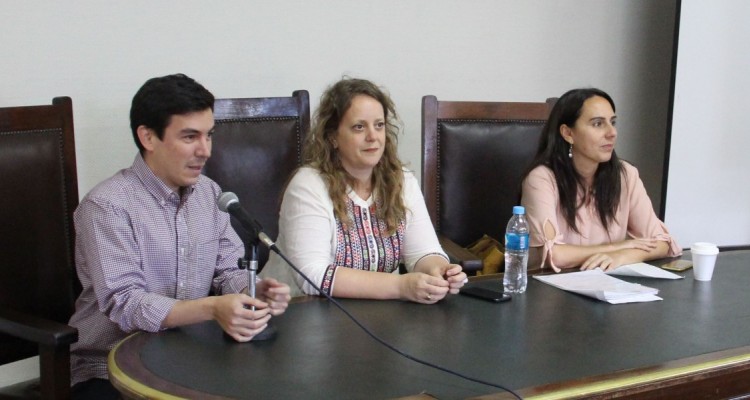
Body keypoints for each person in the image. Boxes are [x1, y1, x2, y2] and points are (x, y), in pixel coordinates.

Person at [68, 74, 291, 399]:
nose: (205, 151)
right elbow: (125, 304)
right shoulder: (107, 206)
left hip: (193, 355)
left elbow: (227, 271)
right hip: (111, 368)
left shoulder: (209, 194)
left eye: (209, 136)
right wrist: (213, 309)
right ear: (148, 136)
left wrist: (250, 290)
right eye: (190, 137)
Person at [260, 77, 466, 302]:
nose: (373, 137)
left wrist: (439, 271)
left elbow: (422, 252)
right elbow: (313, 276)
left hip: (378, 318)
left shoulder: (402, 181)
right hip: (299, 315)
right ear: (333, 137)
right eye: (359, 127)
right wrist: (400, 286)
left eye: (379, 125)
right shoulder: (308, 185)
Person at [521, 88, 681, 272]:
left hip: (606, 287)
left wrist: (623, 256)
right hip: (547, 289)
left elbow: (663, 243)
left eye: (612, 122)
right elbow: (553, 254)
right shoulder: (542, 178)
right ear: (568, 133)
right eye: (598, 124)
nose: (612, 132)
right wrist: (615, 247)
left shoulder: (626, 175)